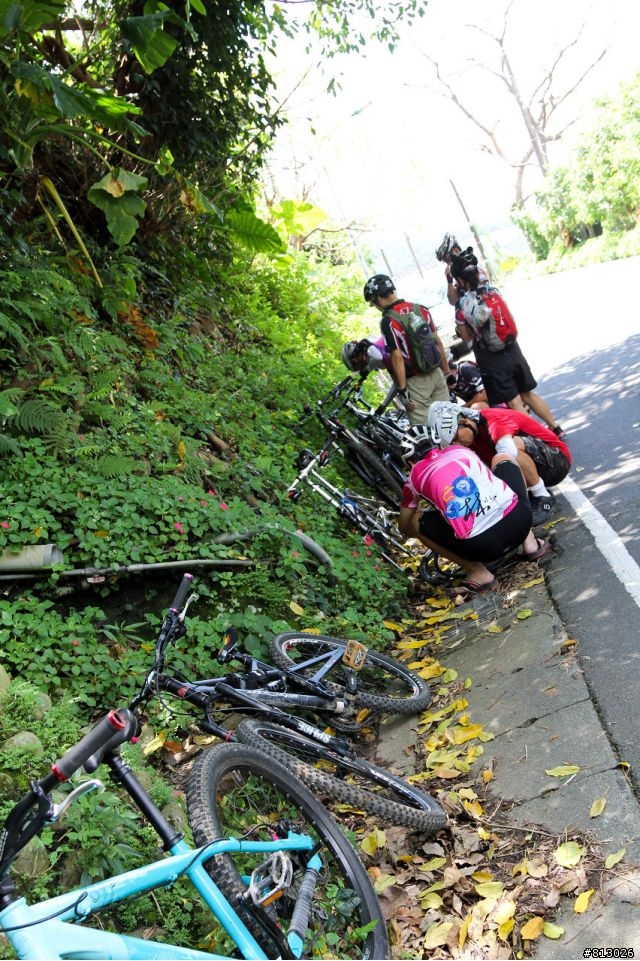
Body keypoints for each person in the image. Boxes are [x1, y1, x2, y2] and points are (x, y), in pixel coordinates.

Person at [398, 426, 549, 602]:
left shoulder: (414, 477)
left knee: (415, 521)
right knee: (502, 458)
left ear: (410, 462)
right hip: (521, 521)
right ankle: (530, 543)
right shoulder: (460, 450)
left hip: (483, 548)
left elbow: (404, 526)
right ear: (438, 444)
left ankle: (479, 574)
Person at [450, 247, 567, 438]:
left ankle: (542, 438)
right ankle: (556, 428)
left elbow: (467, 337)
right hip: (512, 347)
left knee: (514, 401)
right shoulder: (491, 290)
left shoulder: (463, 305)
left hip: (491, 356)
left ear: (460, 281)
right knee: (527, 393)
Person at [426, 401, 571, 526]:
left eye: (456, 438)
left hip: (557, 461)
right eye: (453, 444)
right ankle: (533, 494)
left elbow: (507, 458)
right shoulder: (472, 436)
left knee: (507, 452)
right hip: (539, 465)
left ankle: (543, 496)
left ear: (464, 422)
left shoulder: (493, 420)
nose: (458, 444)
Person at [362, 274, 451, 426]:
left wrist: (402, 389)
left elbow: (397, 356)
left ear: (378, 299)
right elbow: (437, 341)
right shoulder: (420, 309)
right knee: (449, 422)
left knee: (427, 432)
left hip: (416, 383)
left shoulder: (388, 321)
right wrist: (447, 371)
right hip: (437, 374)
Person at [436, 233, 488, 306]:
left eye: (448, 259)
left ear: (456, 251)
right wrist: (449, 282)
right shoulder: (456, 274)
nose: (448, 264)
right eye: (445, 262)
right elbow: (453, 301)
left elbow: (482, 285)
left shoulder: (471, 264)